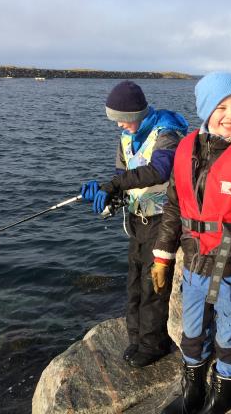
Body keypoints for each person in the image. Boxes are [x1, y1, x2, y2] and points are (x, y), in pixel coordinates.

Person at [151, 72, 231, 414]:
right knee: (192, 328)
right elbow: (173, 206)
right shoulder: (184, 148)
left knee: (229, 329)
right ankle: (193, 388)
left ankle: (223, 393)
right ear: (206, 110)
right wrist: (163, 256)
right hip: (194, 261)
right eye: (221, 106)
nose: (230, 115)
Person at [81, 80, 188, 368]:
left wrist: (114, 184)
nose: (119, 126)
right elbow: (124, 177)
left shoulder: (167, 133)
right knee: (134, 282)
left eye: (123, 120)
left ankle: (154, 344)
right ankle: (136, 336)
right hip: (137, 222)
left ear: (137, 113)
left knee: (153, 284)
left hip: (163, 221)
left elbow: (159, 170)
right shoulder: (126, 139)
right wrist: (109, 198)